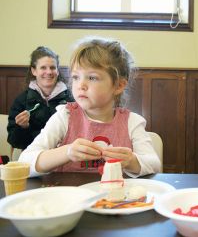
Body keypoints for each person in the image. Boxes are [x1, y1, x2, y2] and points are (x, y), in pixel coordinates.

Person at [19, 37, 161, 177]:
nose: (81, 85)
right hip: (70, 197)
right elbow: (24, 162)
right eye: (75, 77)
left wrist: (131, 161)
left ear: (119, 85)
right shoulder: (65, 116)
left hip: (116, 197)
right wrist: (67, 152)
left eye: (92, 78)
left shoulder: (132, 122)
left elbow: (155, 164)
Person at [7, 47, 73, 155]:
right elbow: (15, 142)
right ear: (34, 71)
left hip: (65, 158)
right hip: (32, 159)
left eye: (52, 67)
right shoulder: (21, 101)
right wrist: (22, 127)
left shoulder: (71, 99)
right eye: (43, 68)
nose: (49, 72)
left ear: (57, 70)